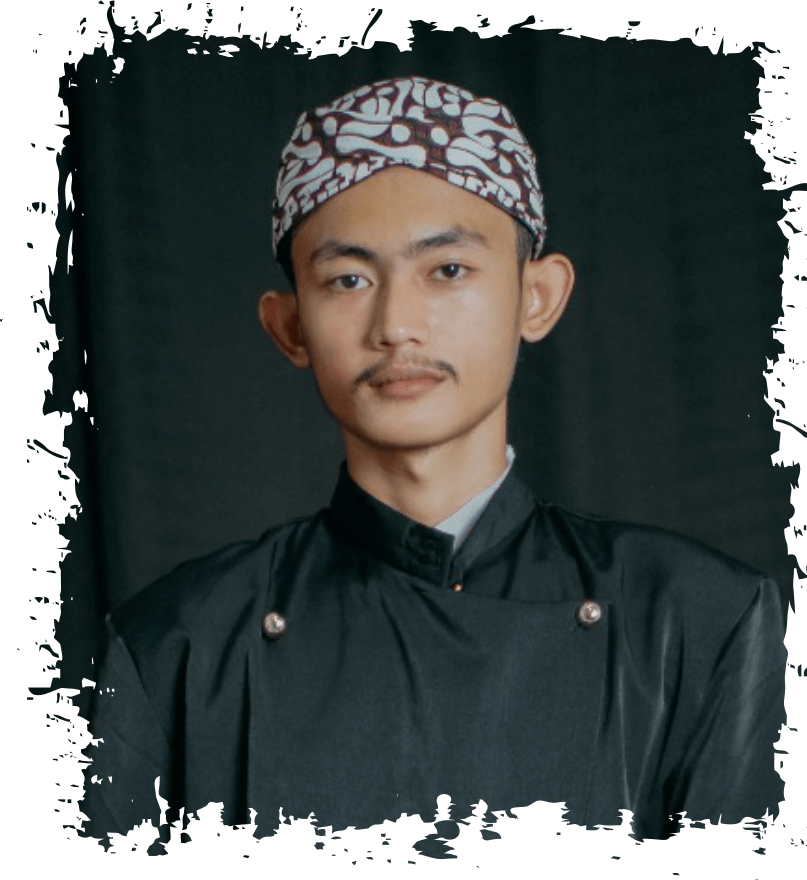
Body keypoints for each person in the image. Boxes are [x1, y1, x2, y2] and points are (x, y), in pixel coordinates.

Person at [79, 75, 786, 852]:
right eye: (348, 280)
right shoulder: (178, 644)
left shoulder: (695, 620)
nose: (395, 325)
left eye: (446, 269)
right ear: (290, 327)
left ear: (537, 296)